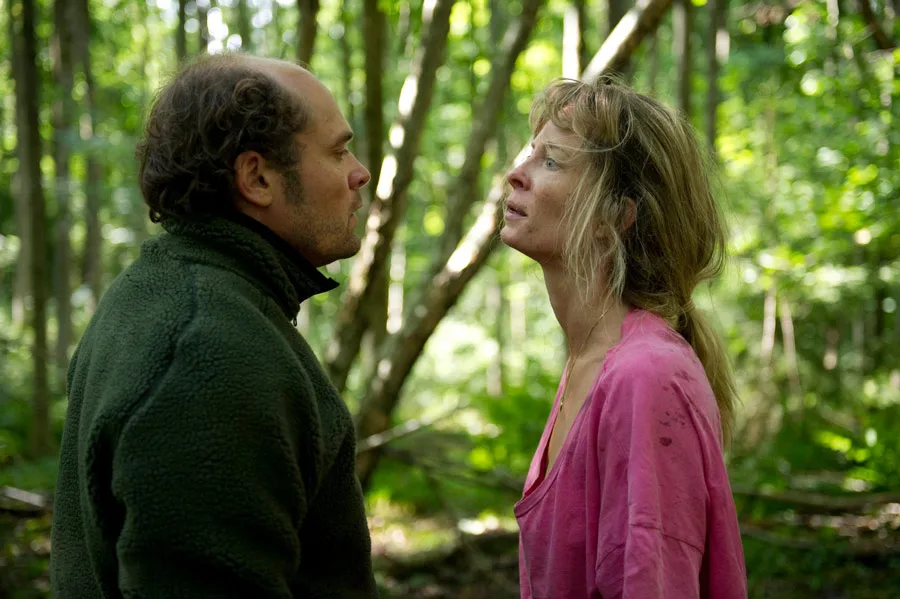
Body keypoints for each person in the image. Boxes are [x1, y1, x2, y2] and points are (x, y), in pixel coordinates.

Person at [50, 53, 379, 598]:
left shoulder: (184, 294)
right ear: (257, 177)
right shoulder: (204, 351)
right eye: (338, 151)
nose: (359, 172)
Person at [502, 76, 747, 599]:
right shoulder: (592, 361)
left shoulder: (644, 377)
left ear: (615, 216)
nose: (515, 174)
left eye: (551, 162)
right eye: (530, 153)